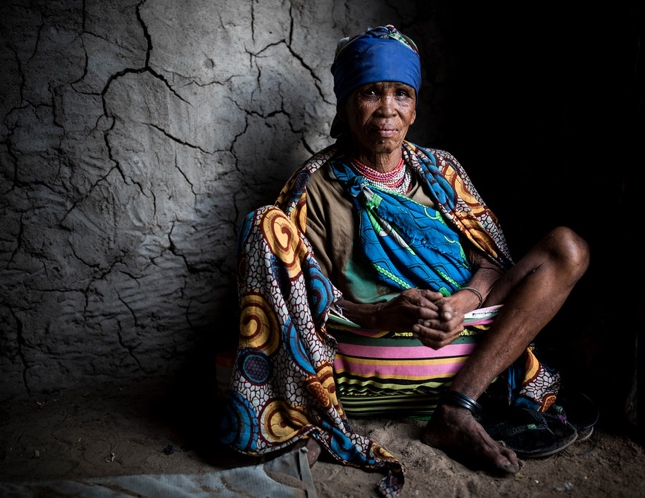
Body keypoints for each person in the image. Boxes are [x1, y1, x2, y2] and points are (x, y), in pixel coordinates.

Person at [219, 25, 589, 497]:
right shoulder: (314, 189)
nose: (387, 110)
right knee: (262, 223)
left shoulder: (441, 170)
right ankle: (330, 417)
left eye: (401, 94)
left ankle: (458, 407)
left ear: (415, 107)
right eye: (371, 93)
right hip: (370, 355)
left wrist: (462, 300)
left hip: (472, 340)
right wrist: (382, 313)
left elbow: (493, 260)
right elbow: (304, 302)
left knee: (567, 248)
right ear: (347, 102)